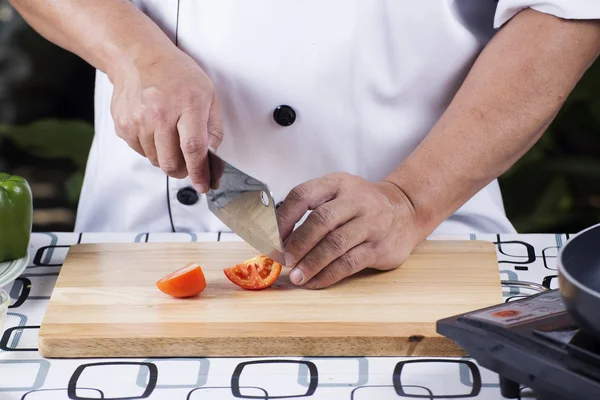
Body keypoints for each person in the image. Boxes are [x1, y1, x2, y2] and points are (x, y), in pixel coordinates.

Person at [9, 0, 600, 289]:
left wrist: (411, 199)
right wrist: (133, 56)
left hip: (427, 243)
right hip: (136, 246)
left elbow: (569, 10)